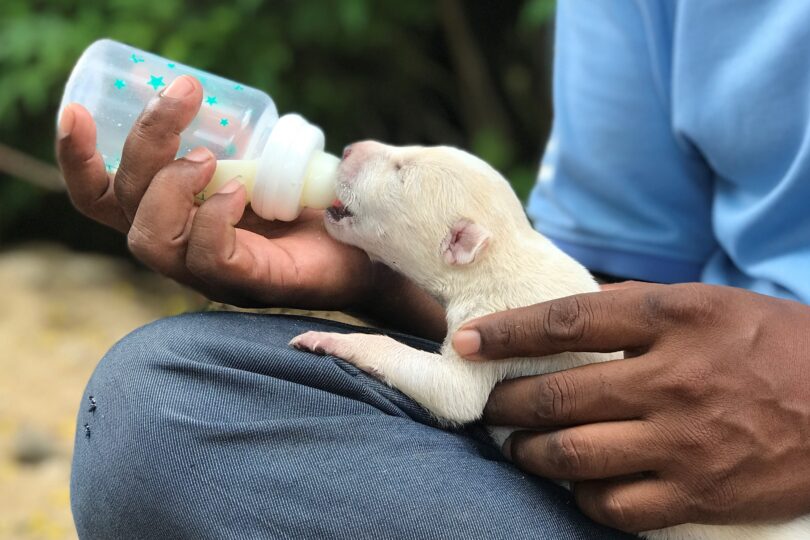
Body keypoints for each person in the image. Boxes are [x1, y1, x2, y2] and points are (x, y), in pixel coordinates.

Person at [58, 1, 810, 538]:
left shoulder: (484, 253)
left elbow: (459, 390)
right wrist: (375, 277)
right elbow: (606, 309)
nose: (366, 152)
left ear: (460, 244)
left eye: (404, 172)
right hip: (647, 475)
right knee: (153, 411)